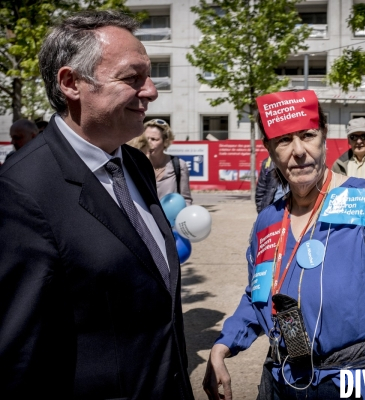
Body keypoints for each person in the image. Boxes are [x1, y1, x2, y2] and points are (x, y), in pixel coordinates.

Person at [203, 89, 365, 400]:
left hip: (360, 383)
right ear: (269, 149)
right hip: (284, 382)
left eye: (308, 135)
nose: (299, 150)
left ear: (324, 136)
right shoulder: (268, 221)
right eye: (284, 140)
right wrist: (225, 344)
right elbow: (260, 292)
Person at [0, 11, 194, 399]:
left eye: (150, 75)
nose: (152, 91)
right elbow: (16, 359)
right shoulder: (21, 190)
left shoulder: (135, 163)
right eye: (132, 78)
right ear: (72, 83)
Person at [143, 119, 193, 205]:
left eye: (154, 139)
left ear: (165, 142)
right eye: (146, 139)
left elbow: (186, 200)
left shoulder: (179, 165)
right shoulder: (138, 165)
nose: (149, 143)